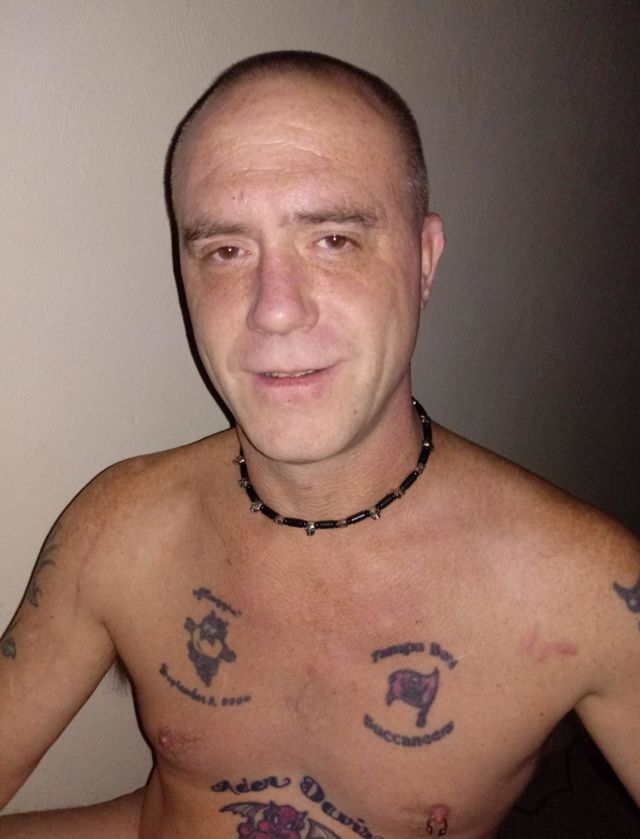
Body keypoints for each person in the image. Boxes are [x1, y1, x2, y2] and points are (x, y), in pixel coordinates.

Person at [1, 50, 638, 839]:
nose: (274, 309)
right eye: (225, 250)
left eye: (333, 239)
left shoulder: (587, 592)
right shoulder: (118, 528)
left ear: (424, 261)